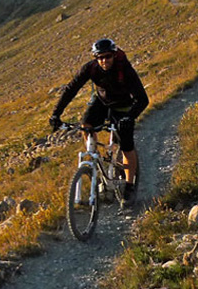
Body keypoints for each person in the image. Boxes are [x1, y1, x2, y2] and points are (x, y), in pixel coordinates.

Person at [49, 38, 148, 204]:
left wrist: (129, 117)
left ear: (114, 55)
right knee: (86, 125)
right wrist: (55, 115)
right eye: (99, 57)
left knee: (126, 145)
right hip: (102, 102)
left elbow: (143, 99)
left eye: (107, 56)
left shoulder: (125, 69)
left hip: (123, 106)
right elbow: (71, 89)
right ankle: (95, 157)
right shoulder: (91, 68)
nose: (104, 60)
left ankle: (129, 186)